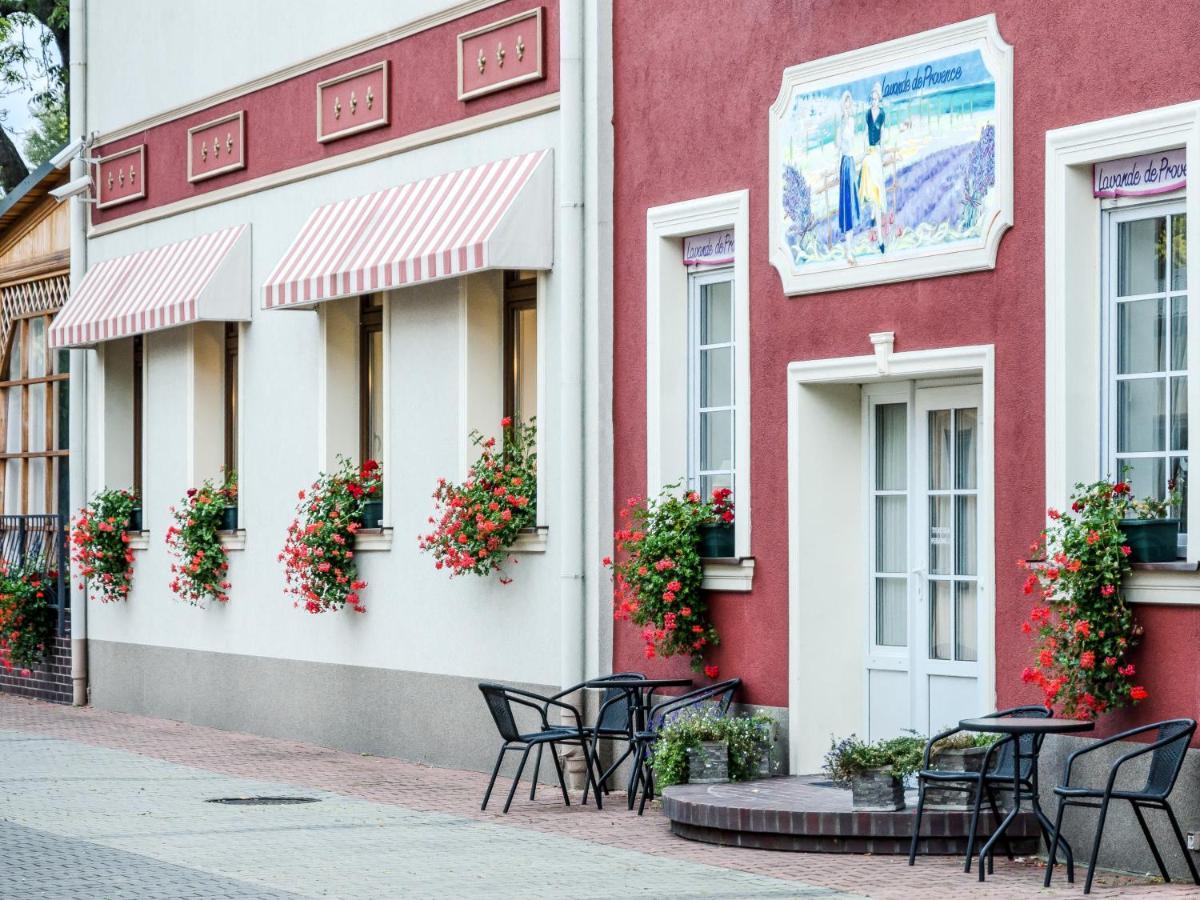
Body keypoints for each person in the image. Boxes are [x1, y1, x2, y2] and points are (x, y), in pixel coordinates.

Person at [858, 82, 888, 255]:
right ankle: (871, 216)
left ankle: (880, 238)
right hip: (869, 154)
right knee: (869, 188)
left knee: (877, 194)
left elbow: (882, 134)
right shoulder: (868, 114)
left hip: (876, 154)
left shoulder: (882, 114)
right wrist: (864, 151)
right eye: (872, 99)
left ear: (879, 99)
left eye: (876, 99)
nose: (873, 102)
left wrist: (881, 154)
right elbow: (864, 133)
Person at [835, 90, 860, 264]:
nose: (847, 106)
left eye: (849, 103)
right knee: (846, 206)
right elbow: (838, 147)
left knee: (850, 205)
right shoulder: (841, 124)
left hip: (849, 163)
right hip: (844, 164)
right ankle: (848, 250)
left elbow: (849, 144)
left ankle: (850, 250)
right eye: (845, 102)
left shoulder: (850, 122)